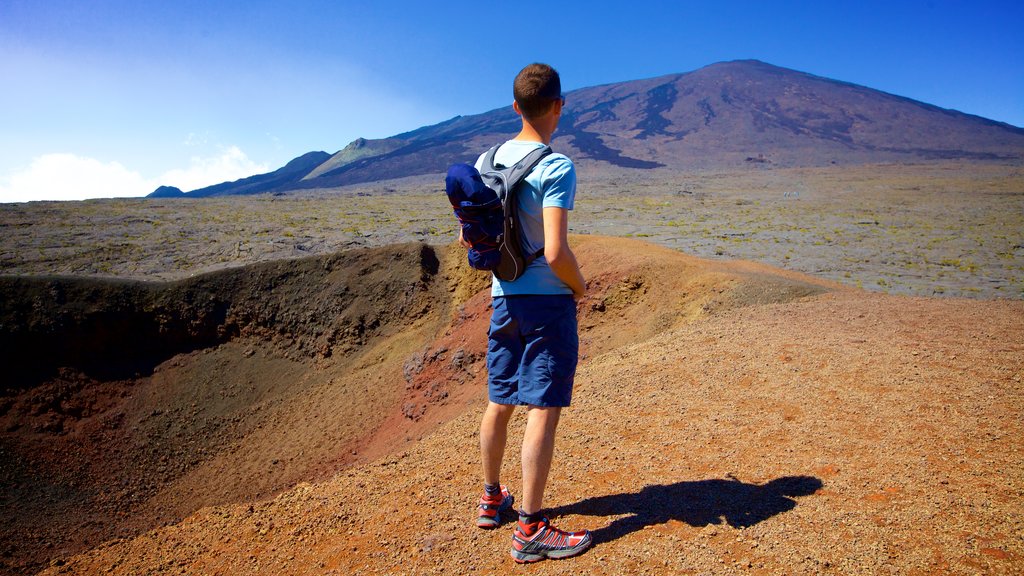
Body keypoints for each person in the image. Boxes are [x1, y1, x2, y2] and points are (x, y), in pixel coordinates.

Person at [462, 63, 591, 563]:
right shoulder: (557, 167)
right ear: (559, 105)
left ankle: (491, 499)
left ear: (515, 106)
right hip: (547, 303)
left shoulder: (485, 159)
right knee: (542, 407)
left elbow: (467, 236)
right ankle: (531, 529)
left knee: (500, 399)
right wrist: (579, 289)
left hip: (502, 299)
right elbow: (556, 252)